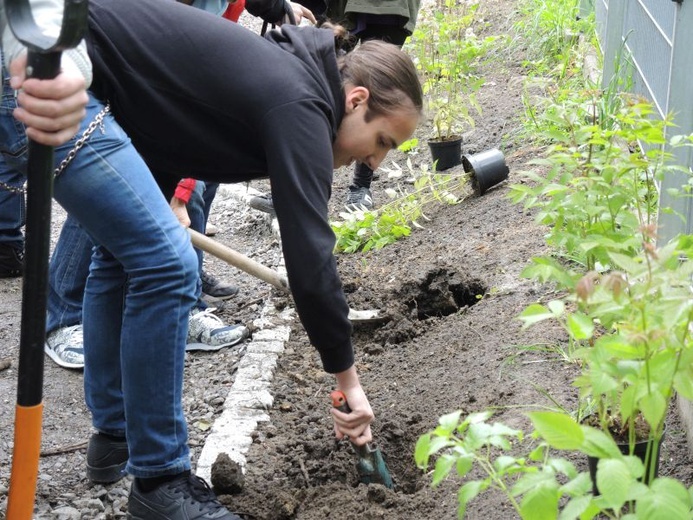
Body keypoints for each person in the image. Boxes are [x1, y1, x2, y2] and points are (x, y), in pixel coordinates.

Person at [82, 0, 420, 515]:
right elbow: (310, 253)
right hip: (59, 58)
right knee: (168, 264)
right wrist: (348, 381)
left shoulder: (295, 79)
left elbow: (173, 107)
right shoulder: (302, 101)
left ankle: (116, 436)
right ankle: (160, 484)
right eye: (381, 141)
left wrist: (166, 191)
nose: (374, 161)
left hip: (88, 68)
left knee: (121, 257)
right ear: (356, 99)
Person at [43, 0, 317, 369]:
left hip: (178, 68)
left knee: (197, 186)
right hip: (107, 59)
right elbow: (174, 102)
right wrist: (178, 192)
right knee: (107, 186)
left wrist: (277, 6)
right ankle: (65, 317)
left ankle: (182, 306)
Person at [249, 0, 421, 215]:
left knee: (381, 103)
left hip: (388, 7)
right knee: (321, 78)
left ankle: (360, 187)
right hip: (341, 4)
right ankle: (291, 188)